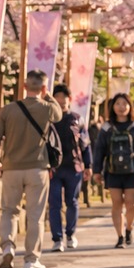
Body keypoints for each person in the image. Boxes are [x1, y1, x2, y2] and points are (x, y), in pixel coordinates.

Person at [0, 69, 62, 268]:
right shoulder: (47, 108)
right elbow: (59, 115)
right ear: (44, 87)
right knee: (35, 215)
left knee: (9, 211)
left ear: (24, 86)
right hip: (37, 168)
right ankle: (31, 259)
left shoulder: (8, 110)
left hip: (11, 168)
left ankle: (7, 247)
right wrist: (47, 95)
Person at [92, 93, 134, 249]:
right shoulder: (106, 127)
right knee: (116, 203)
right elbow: (99, 149)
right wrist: (96, 170)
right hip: (113, 170)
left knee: (130, 203)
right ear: (112, 107)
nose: (121, 107)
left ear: (130, 106)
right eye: (118, 103)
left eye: (124, 104)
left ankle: (129, 229)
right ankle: (119, 236)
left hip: (133, 170)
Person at [48, 84, 91, 252]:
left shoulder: (77, 119)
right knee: (54, 203)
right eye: (57, 98)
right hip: (54, 168)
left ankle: (71, 234)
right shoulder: (49, 120)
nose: (61, 101)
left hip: (74, 167)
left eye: (64, 98)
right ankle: (57, 238)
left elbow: (86, 145)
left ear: (69, 100)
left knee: (72, 202)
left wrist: (88, 165)